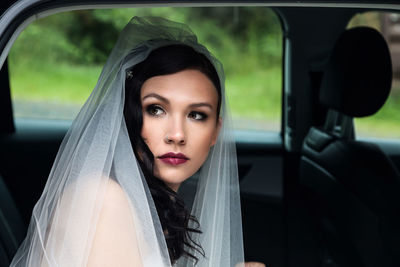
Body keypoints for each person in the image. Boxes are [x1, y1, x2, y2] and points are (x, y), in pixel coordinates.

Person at [10, 16, 265, 267]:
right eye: (155, 110)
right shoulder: (103, 201)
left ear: (215, 133)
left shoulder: (155, 207)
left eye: (196, 115)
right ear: (128, 116)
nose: (177, 134)